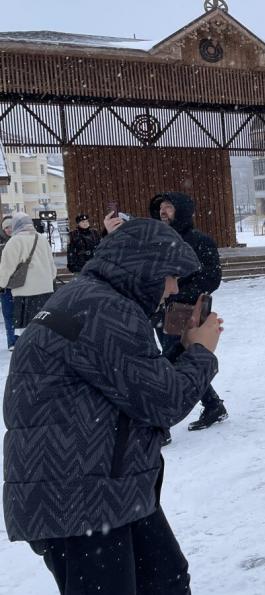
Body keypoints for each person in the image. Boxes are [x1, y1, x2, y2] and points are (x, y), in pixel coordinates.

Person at [3, 218, 223, 595]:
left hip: (99, 487)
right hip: (81, 497)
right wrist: (201, 350)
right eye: (169, 275)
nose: (172, 288)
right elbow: (164, 402)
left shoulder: (88, 300)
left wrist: (182, 346)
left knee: (167, 580)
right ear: (143, 267)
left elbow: (135, 384)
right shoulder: (103, 311)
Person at [149, 192, 227, 432]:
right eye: (161, 207)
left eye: (169, 207)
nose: (163, 211)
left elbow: (211, 277)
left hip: (187, 309)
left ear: (181, 210)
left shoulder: (199, 240)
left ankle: (160, 424)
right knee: (175, 358)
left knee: (171, 360)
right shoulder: (156, 238)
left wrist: (178, 292)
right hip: (160, 308)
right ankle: (213, 404)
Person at [0, 212, 57, 337]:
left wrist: (2, 284)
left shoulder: (14, 241)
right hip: (45, 291)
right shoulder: (42, 239)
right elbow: (52, 267)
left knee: (27, 332)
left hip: (25, 294)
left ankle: (31, 353)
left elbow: (6, 267)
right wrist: (47, 279)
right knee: (45, 327)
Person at [0, 216, 17, 350]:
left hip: (21, 283)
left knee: (25, 313)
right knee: (8, 313)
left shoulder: (20, 241)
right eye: (6, 227)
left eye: (11, 226)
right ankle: (11, 341)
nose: (9, 229)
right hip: (4, 285)